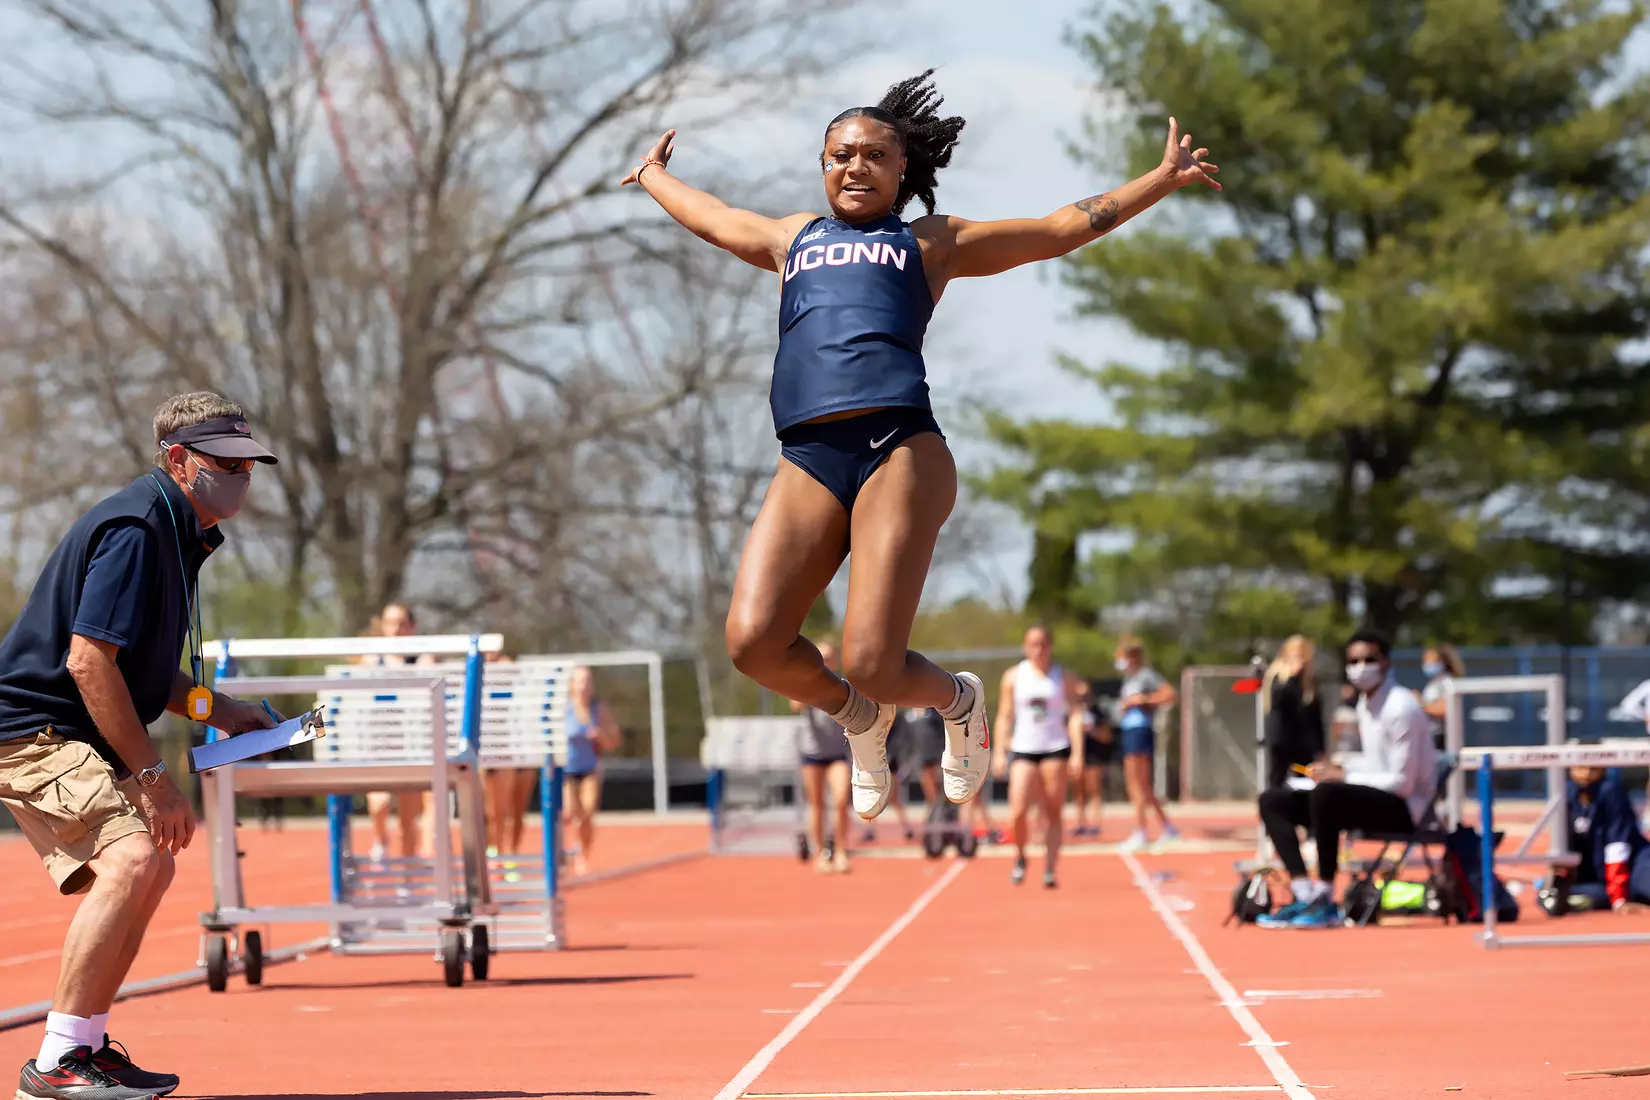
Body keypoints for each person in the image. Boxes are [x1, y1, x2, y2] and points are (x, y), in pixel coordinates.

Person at [621, 70, 1219, 824]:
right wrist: (650, 175)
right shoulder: (793, 239)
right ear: (823, 163)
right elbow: (712, 217)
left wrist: (1160, 180)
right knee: (753, 643)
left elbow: (1059, 228)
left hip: (898, 445)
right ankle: (860, 720)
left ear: (903, 169)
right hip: (809, 454)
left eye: (873, 155)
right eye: (840, 154)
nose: (854, 167)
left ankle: (959, 703)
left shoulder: (928, 243)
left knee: (874, 660)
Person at [0, 393, 281, 1100]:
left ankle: (87, 1046)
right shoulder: (137, 527)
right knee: (130, 858)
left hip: (72, 729)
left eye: (248, 464)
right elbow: (88, 663)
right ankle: (59, 1062)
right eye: (226, 463)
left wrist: (221, 709)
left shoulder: (177, 529)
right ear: (178, 460)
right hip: (32, 730)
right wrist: (154, 779)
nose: (242, 478)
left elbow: (142, 670)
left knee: (151, 865)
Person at [1257, 627, 1438, 930]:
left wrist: (1345, 775)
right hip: (1370, 798)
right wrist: (1336, 765)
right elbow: (1373, 762)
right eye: (1353, 661)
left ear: (1386, 663)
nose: (1360, 668)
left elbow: (1402, 783)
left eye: (1369, 659)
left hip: (1406, 810)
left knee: (1328, 793)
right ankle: (1305, 893)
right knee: (1274, 800)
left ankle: (1326, 900)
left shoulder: (1401, 707)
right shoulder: (1367, 704)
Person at [993, 625, 1085, 887]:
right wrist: (1000, 751)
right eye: (1033, 644)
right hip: (1023, 747)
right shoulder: (1013, 676)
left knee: (1053, 809)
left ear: (1051, 646)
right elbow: (1004, 715)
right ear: (1025, 647)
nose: (1039, 650)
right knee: (1018, 809)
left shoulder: (1063, 676)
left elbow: (1076, 714)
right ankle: (1021, 855)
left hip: (1055, 747)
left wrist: (1078, 753)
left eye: (1043, 644)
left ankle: (1050, 867)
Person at [358, 602, 437, 862]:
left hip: (411, 747)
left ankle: (407, 878)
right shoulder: (371, 659)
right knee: (378, 805)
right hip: (378, 746)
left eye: (402, 623)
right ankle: (381, 838)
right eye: (390, 623)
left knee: (408, 821)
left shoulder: (423, 658)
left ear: (412, 627)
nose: (396, 629)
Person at [792, 639, 854, 873]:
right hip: (812, 754)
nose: (826, 660)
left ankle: (840, 851)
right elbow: (795, 705)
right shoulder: (806, 683)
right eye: (822, 656)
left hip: (837, 753)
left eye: (829, 657)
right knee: (817, 805)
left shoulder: (842, 684)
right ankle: (820, 854)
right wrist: (810, 685)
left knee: (840, 800)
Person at [1114, 636, 1180, 850]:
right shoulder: (1129, 678)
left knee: (1137, 785)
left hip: (1140, 729)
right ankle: (1168, 827)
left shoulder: (1146, 675)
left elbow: (1169, 694)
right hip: (1129, 729)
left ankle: (1141, 831)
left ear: (1131, 656)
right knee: (1140, 786)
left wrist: (1142, 700)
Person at [1556, 764, 1650, 912]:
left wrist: (1619, 898)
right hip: (1595, 875)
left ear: (1603, 769)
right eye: (1580, 767)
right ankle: (1598, 899)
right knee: (1549, 895)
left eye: (1593, 769)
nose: (1586, 773)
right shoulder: (1566, 792)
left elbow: (1618, 845)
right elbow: (1563, 847)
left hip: (1633, 865)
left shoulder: (1611, 790)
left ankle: (1621, 895)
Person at [563, 666, 622, 877]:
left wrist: (600, 737)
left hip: (590, 768)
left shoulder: (599, 708)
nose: (583, 685)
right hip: (566, 769)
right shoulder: (563, 709)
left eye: (587, 681)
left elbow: (615, 740)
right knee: (570, 812)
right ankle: (561, 851)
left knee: (587, 813)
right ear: (572, 684)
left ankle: (583, 854)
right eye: (579, 681)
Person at [1262, 635, 1325, 791]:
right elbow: (1279, 702)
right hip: (1281, 739)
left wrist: (1320, 748)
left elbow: (1315, 715)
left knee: (1305, 781)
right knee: (1277, 779)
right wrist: (1292, 677)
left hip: (1303, 741)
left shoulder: (1310, 680)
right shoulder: (1277, 676)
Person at [1071, 678, 1114, 839]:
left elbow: (1107, 736)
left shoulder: (1097, 713)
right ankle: (1081, 823)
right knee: (1079, 792)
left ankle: (1096, 824)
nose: (1083, 699)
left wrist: (1092, 730)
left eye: (1086, 695)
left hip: (1094, 756)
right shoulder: (1072, 712)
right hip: (1077, 756)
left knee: (1094, 790)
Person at [1419, 643, 1465, 749]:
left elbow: (1444, 709)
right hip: (1430, 735)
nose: (1427, 663)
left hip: (1441, 737)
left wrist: (1419, 703)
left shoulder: (1447, 682)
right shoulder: (1434, 682)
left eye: (1431, 660)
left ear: (1442, 661)